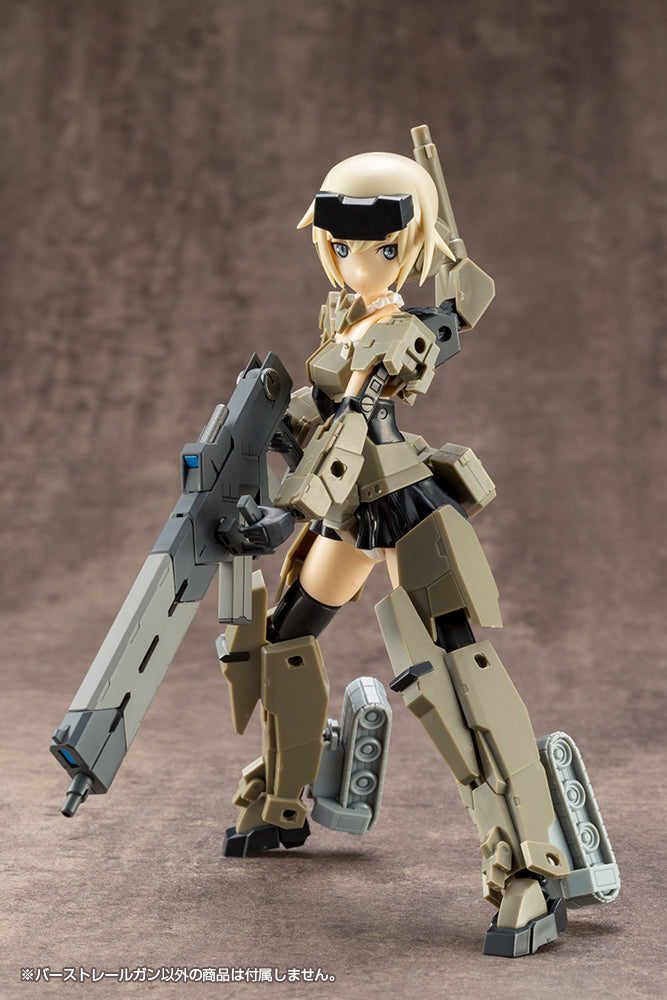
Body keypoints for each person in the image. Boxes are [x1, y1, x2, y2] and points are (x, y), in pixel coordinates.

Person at [220, 140, 571, 957]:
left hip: (399, 502)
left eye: (380, 248)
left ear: (410, 246)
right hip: (349, 508)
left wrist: (290, 508)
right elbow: (321, 408)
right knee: (283, 638)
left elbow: (357, 421)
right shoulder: (347, 317)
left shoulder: (399, 333)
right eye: (340, 246)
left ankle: (531, 865)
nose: (357, 263)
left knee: (449, 668)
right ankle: (283, 798)